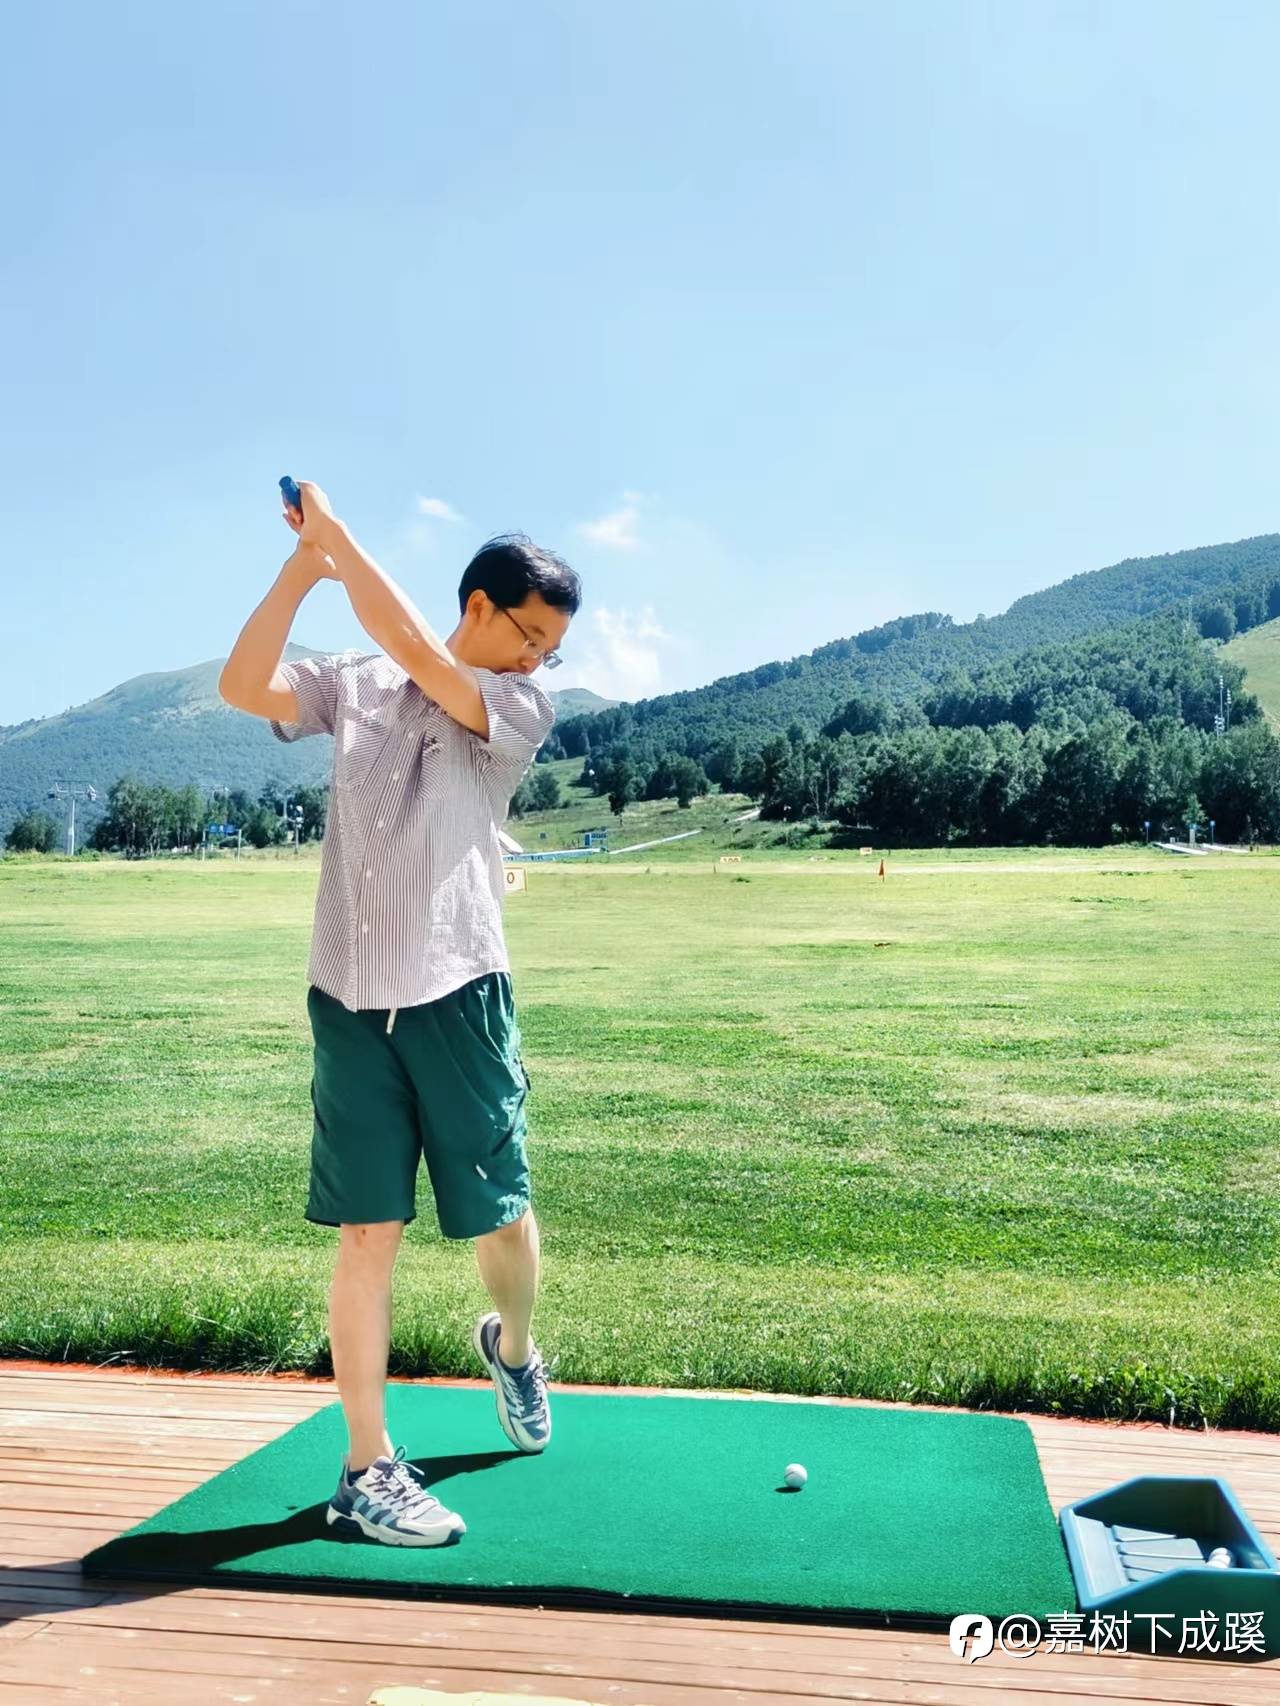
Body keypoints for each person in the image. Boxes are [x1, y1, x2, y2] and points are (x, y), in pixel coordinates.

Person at [218, 480, 579, 1546]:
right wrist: (306, 566)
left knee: (498, 1214)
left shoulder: (516, 706)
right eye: (530, 636)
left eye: (552, 649)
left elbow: (420, 649)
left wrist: (340, 539)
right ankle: (365, 1466)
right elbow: (243, 683)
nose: (538, 660)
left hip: (459, 990)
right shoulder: (356, 681)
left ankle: (513, 1347)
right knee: (367, 1229)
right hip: (348, 996)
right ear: (481, 604)